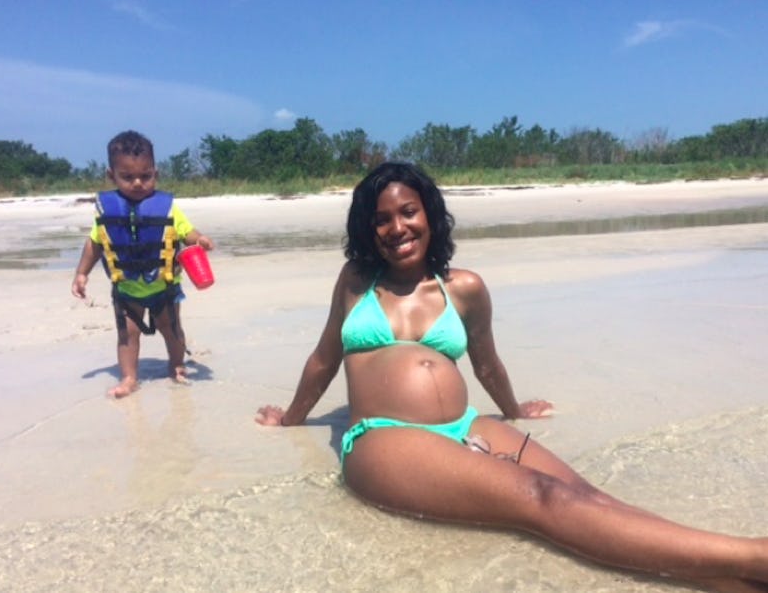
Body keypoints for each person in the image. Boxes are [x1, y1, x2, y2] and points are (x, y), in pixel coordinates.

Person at [256, 162, 768, 592]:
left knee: (591, 499)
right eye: (382, 220)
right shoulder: (355, 283)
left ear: (429, 215)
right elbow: (324, 359)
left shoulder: (465, 288)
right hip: (386, 440)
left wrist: (516, 411)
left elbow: (486, 363)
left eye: (408, 212)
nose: (397, 228)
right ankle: (752, 557)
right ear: (369, 231)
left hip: (467, 425)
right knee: (543, 499)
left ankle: (728, 579)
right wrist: (291, 420)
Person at [72, 130, 214, 398]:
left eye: (145, 176)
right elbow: (95, 244)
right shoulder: (106, 211)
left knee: (171, 330)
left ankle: (177, 366)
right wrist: (81, 273)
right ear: (111, 175)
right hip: (127, 289)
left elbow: (186, 233)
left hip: (164, 286)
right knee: (128, 335)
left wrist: (200, 239)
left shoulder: (168, 208)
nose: (138, 183)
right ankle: (129, 377)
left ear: (155, 174)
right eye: (127, 177)